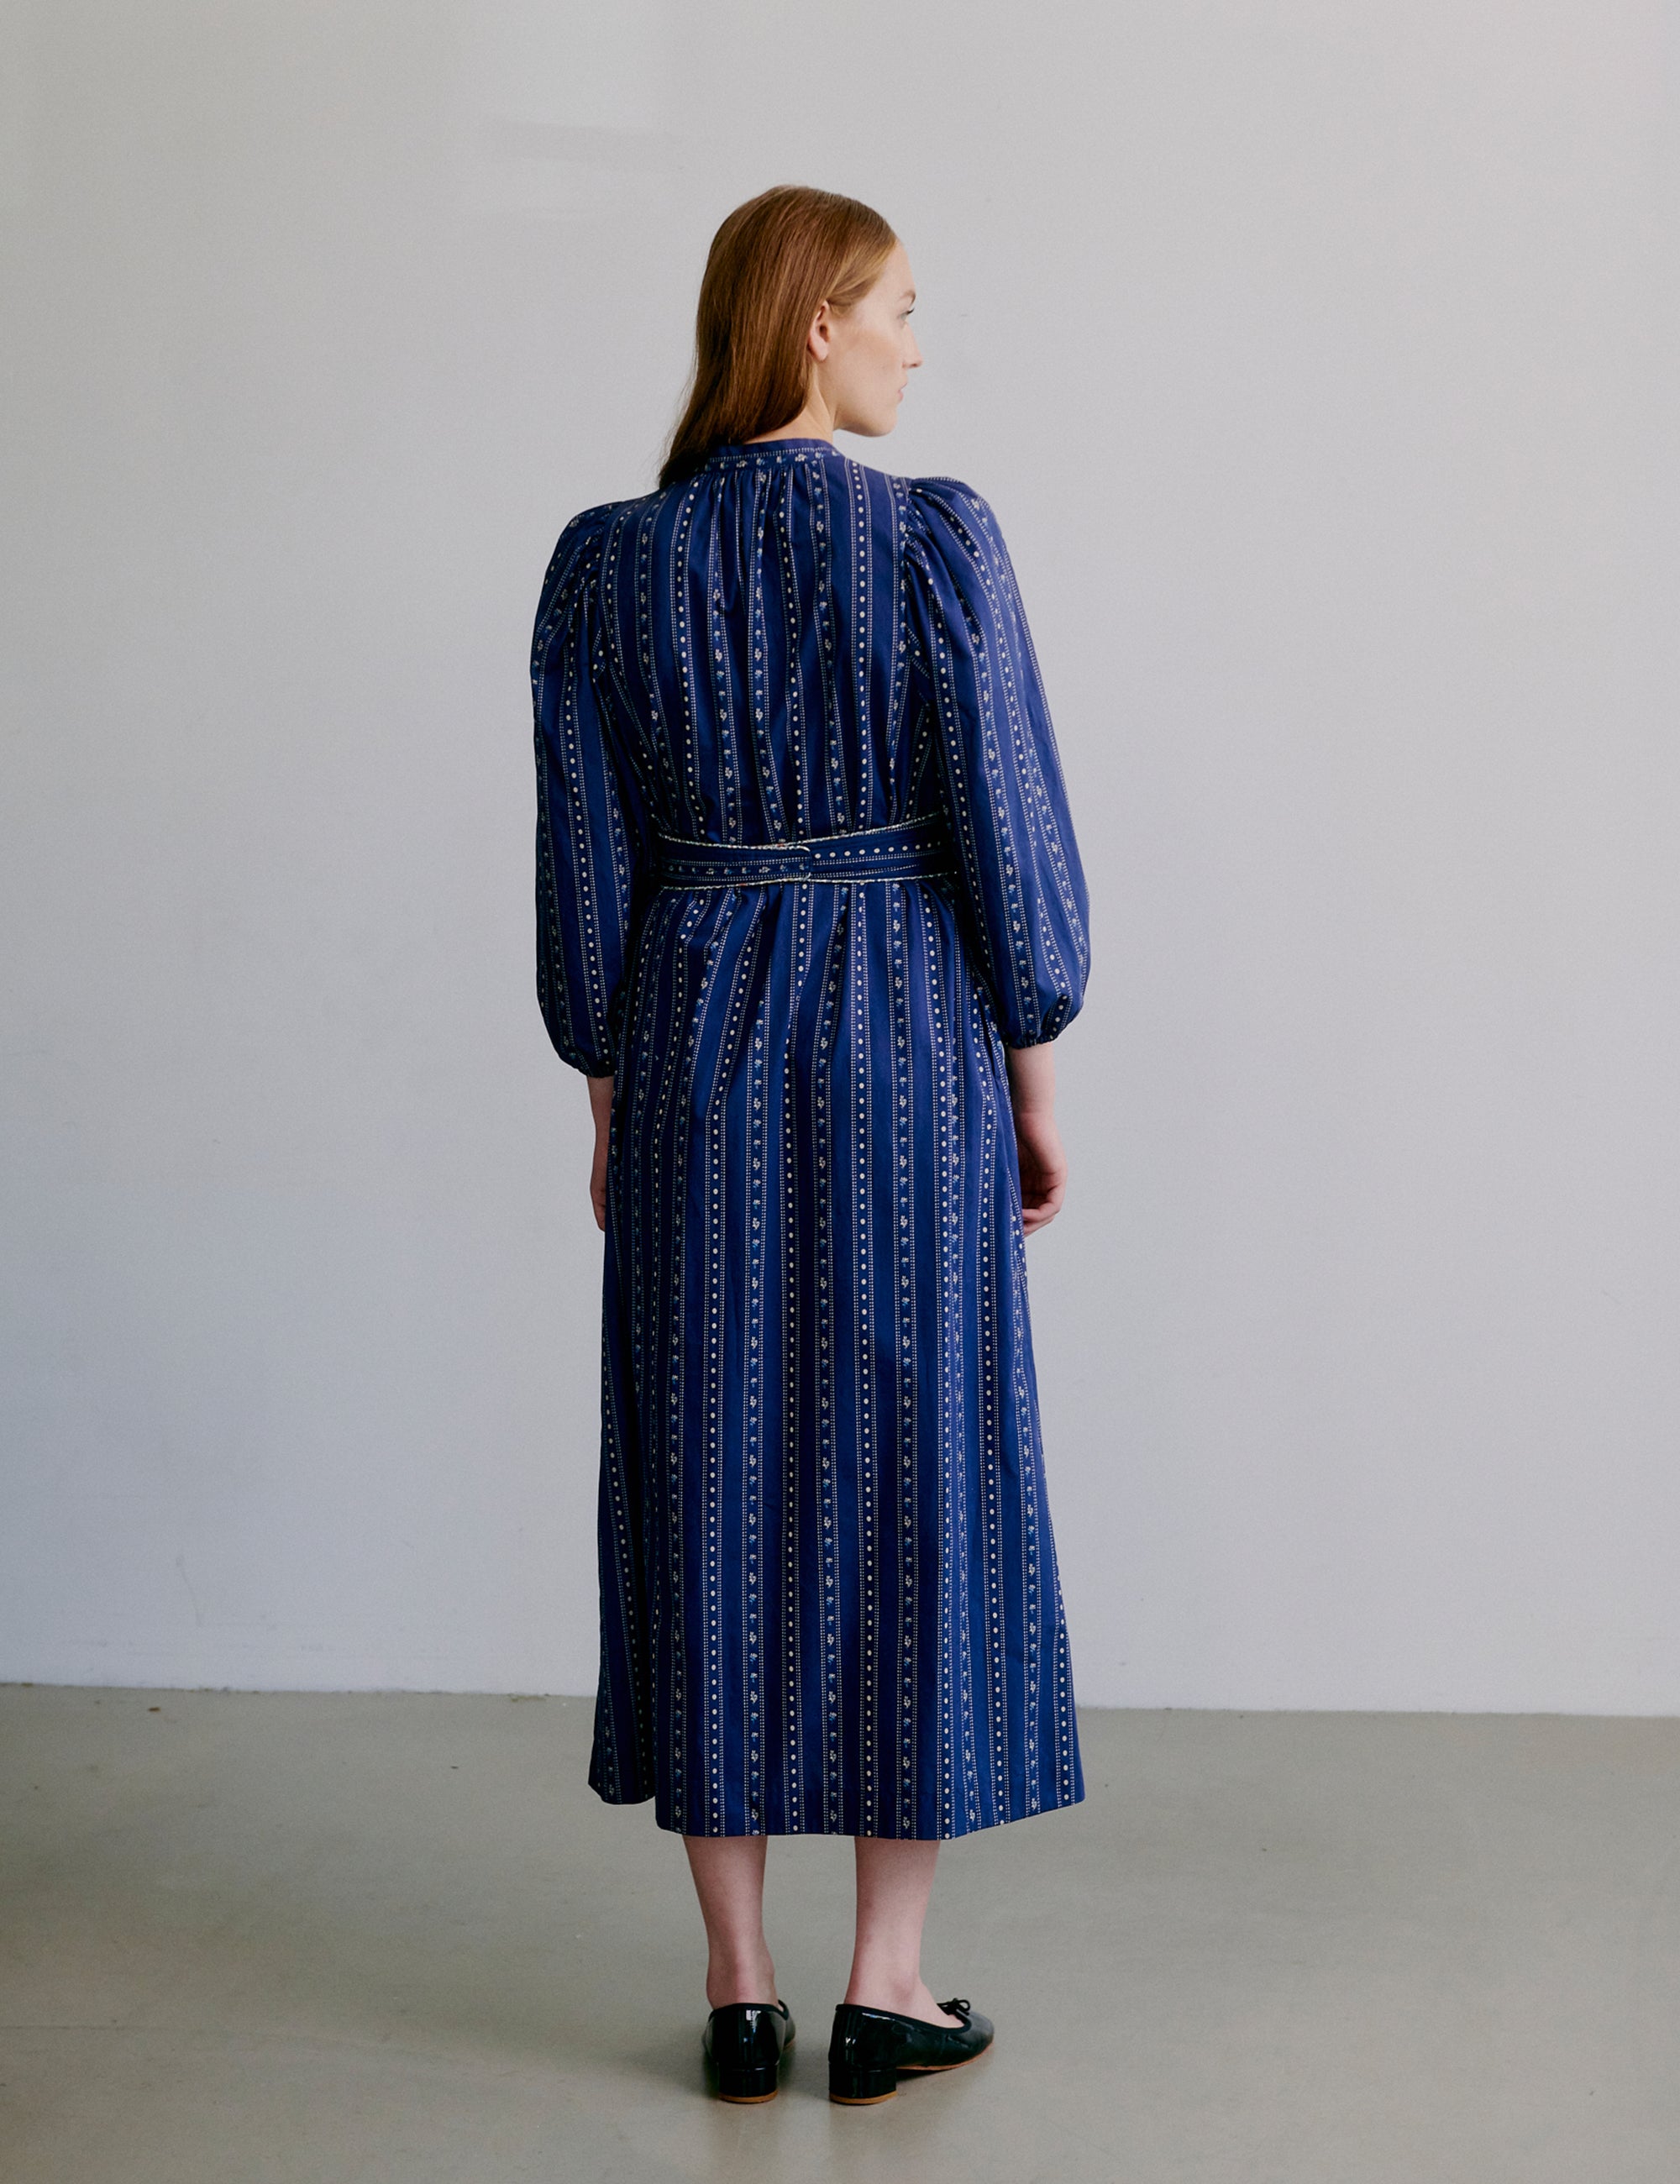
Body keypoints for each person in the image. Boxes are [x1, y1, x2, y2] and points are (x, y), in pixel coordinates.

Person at [531, 183, 1091, 2107]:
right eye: (902, 309)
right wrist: (1030, 1070)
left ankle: (738, 1986)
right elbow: (1005, 826)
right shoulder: (934, 541)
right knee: (911, 1463)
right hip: (901, 1034)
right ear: (812, 332)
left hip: (693, 1035)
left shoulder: (609, 565)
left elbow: (585, 862)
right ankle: (892, 1983)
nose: (919, 346)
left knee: (711, 1462)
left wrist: (612, 1089)